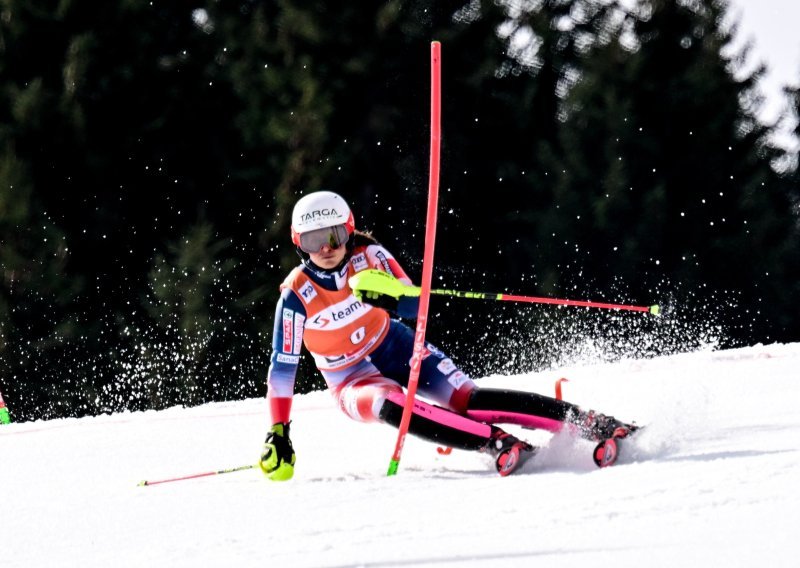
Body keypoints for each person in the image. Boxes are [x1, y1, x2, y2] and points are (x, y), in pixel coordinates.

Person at [259, 190, 637, 480]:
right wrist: (279, 431)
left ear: (349, 229)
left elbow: (416, 306)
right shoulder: (295, 296)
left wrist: (390, 299)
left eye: (335, 236)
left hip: (396, 346)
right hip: (350, 379)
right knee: (389, 405)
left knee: (467, 399)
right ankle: (494, 442)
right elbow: (282, 368)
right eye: (313, 241)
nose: (326, 248)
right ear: (298, 242)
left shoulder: (369, 255)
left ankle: (593, 422)